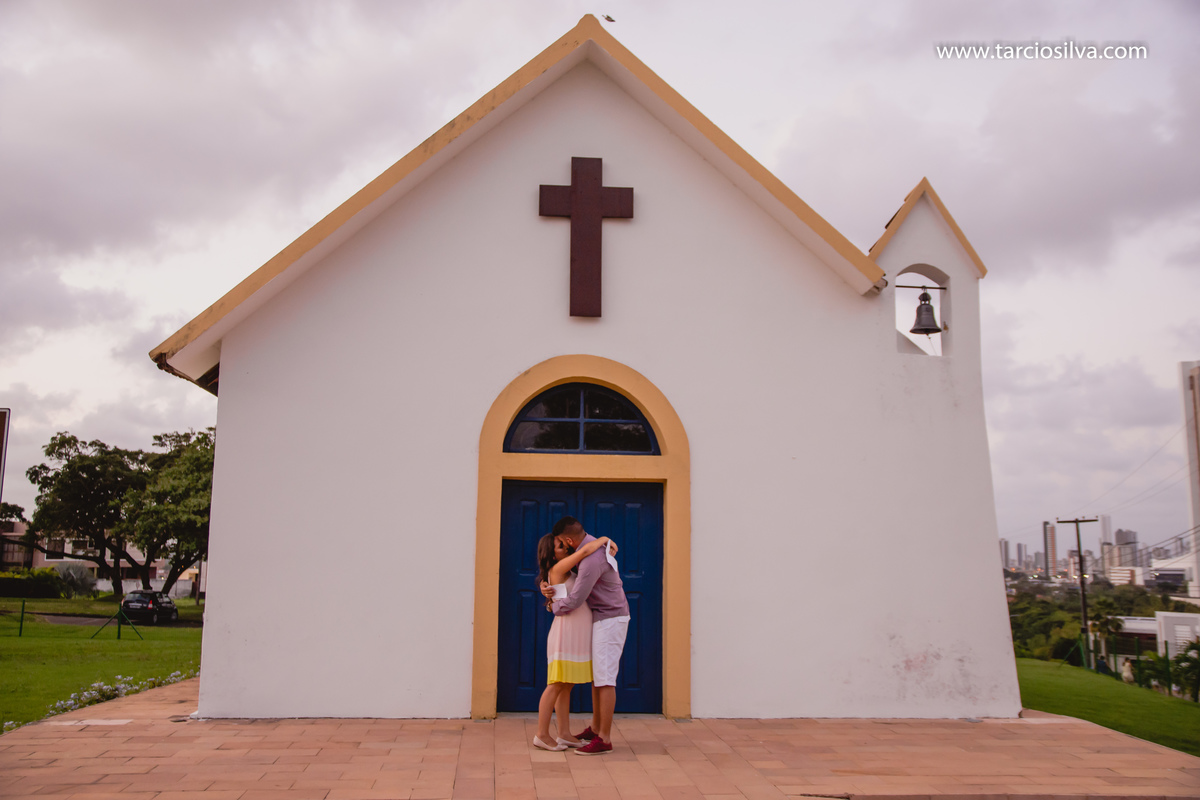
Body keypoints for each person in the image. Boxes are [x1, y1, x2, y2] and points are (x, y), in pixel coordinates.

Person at [540, 516, 630, 755]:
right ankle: (596, 728)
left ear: (568, 539)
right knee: (597, 677)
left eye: (561, 542)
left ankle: (604, 739)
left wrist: (552, 607)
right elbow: (555, 577)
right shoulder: (591, 548)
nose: (563, 547)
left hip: (609, 618)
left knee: (605, 678)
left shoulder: (590, 558)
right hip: (600, 618)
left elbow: (577, 598)